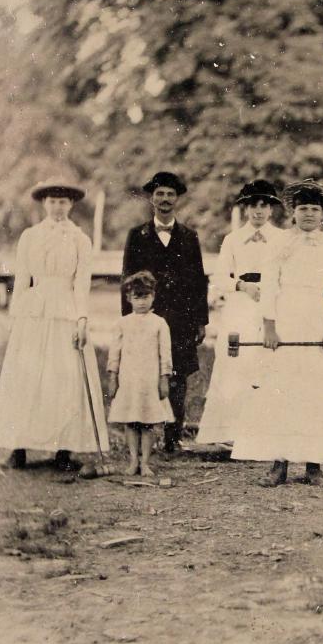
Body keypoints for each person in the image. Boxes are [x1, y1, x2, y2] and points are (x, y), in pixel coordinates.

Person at [231, 179, 323, 487]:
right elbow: (269, 285)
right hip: (284, 317)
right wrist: (269, 326)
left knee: (316, 391)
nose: (308, 214)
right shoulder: (279, 244)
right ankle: (279, 464)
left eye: (314, 209)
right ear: (292, 213)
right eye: (302, 209)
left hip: (317, 319)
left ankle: (314, 465)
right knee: (281, 388)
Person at [0, 177, 108, 470]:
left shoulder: (80, 239)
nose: (57, 207)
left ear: (71, 205)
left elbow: (82, 283)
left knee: (64, 378)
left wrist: (81, 318)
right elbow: (23, 278)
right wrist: (16, 318)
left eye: (63, 202)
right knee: (27, 376)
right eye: (52, 201)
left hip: (66, 308)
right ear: (44, 203)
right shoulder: (30, 236)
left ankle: (63, 450)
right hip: (34, 312)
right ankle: (19, 448)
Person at [121, 172, 209, 455]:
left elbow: (198, 281)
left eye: (170, 194)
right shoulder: (137, 235)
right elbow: (128, 280)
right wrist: (128, 320)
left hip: (181, 319)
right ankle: (143, 437)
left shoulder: (189, 237)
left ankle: (173, 438)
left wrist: (200, 321)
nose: (165, 200)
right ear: (151, 198)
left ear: (177, 199)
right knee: (144, 373)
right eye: (160, 194)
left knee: (178, 376)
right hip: (147, 317)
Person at [197, 179, 285, 446]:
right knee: (236, 360)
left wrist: (271, 290)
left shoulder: (283, 239)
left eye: (264, 206)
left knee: (267, 360)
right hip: (241, 303)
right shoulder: (233, 240)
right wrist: (242, 286)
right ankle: (230, 432)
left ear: (271, 210)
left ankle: (265, 431)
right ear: (245, 210)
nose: (258, 211)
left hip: (273, 303)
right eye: (253, 206)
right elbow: (219, 277)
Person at [107, 271, 174, 477]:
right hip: (129, 381)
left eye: (146, 296)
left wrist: (164, 378)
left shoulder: (159, 323)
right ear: (129, 298)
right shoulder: (122, 323)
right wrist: (112, 377)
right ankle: (133, 460)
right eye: (137, 297)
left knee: (147, 422)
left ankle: (145, 462)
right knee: (131, 420)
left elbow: (165, 354)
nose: (142, 302)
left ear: (153, 296)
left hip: (149, 381)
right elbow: (114, 353)